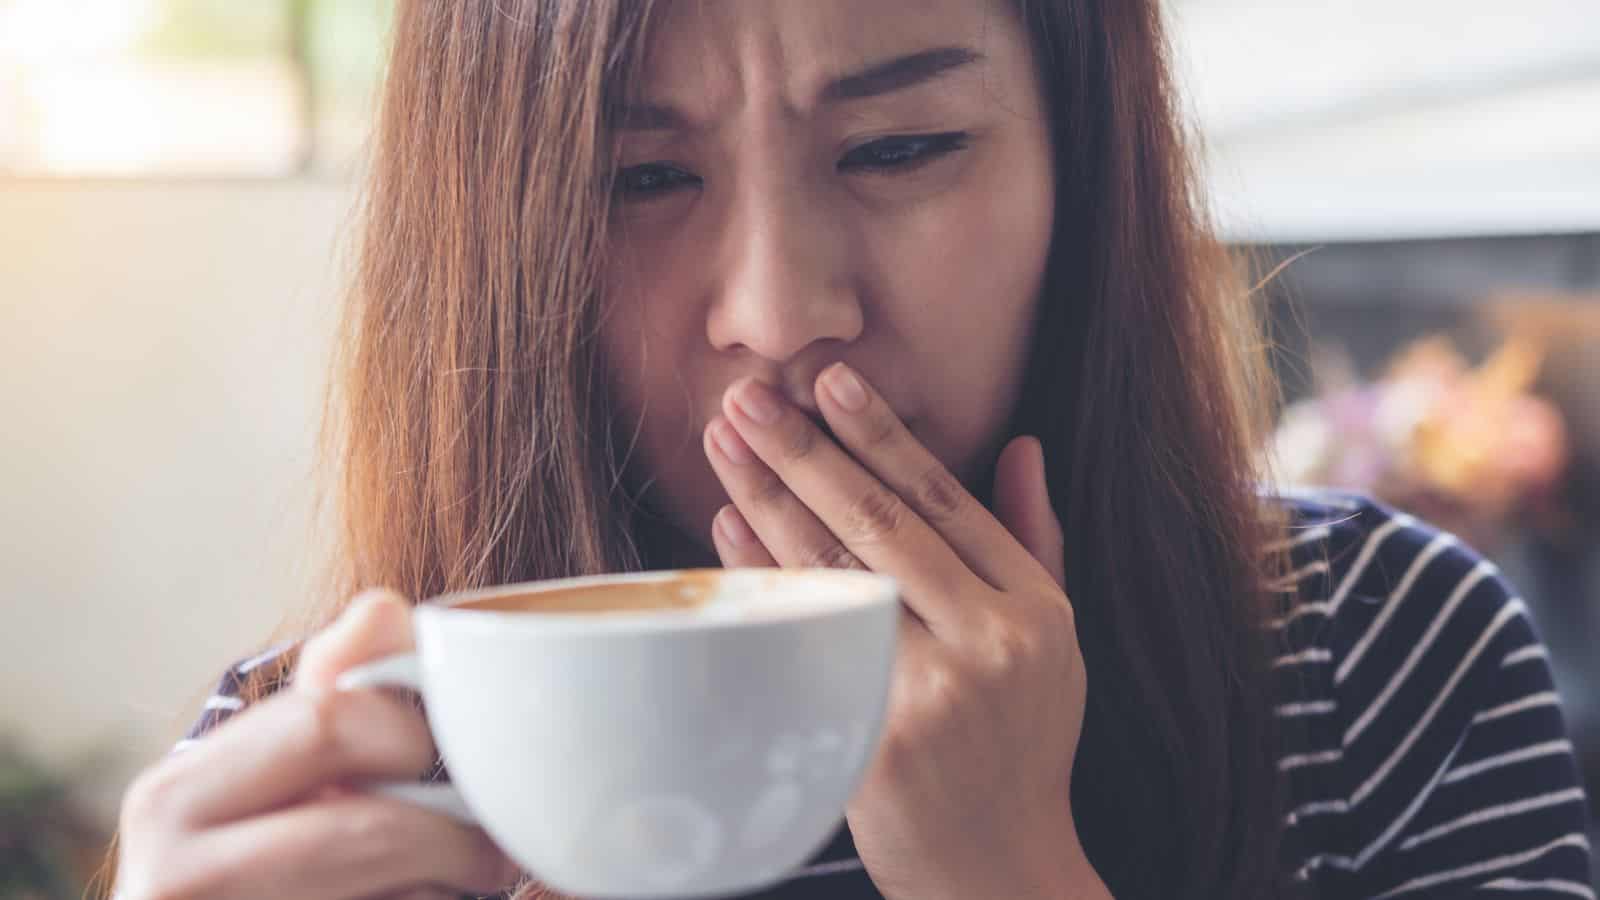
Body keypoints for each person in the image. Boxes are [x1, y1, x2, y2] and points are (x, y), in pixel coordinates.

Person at [112, 1, 1594, 897]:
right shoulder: (324, 783)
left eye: (900, 149)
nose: (778, 313)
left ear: (1082, 169)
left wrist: (1008, 872)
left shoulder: (1378, 654)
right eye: (641, 177)